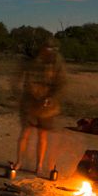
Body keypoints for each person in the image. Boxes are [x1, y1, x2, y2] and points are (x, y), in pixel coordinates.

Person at [11, 39, 68, 179]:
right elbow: (17, 79)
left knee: (42, 135)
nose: (49, 50)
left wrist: (51, 98)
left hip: (46, 104)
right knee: (25, 132)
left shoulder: (56, 62)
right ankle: (19, 162)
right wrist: (19, 94)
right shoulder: (30, 60)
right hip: (29, 102)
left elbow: (60, 83)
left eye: (52, 48)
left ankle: (39, 166)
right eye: (46, 47)